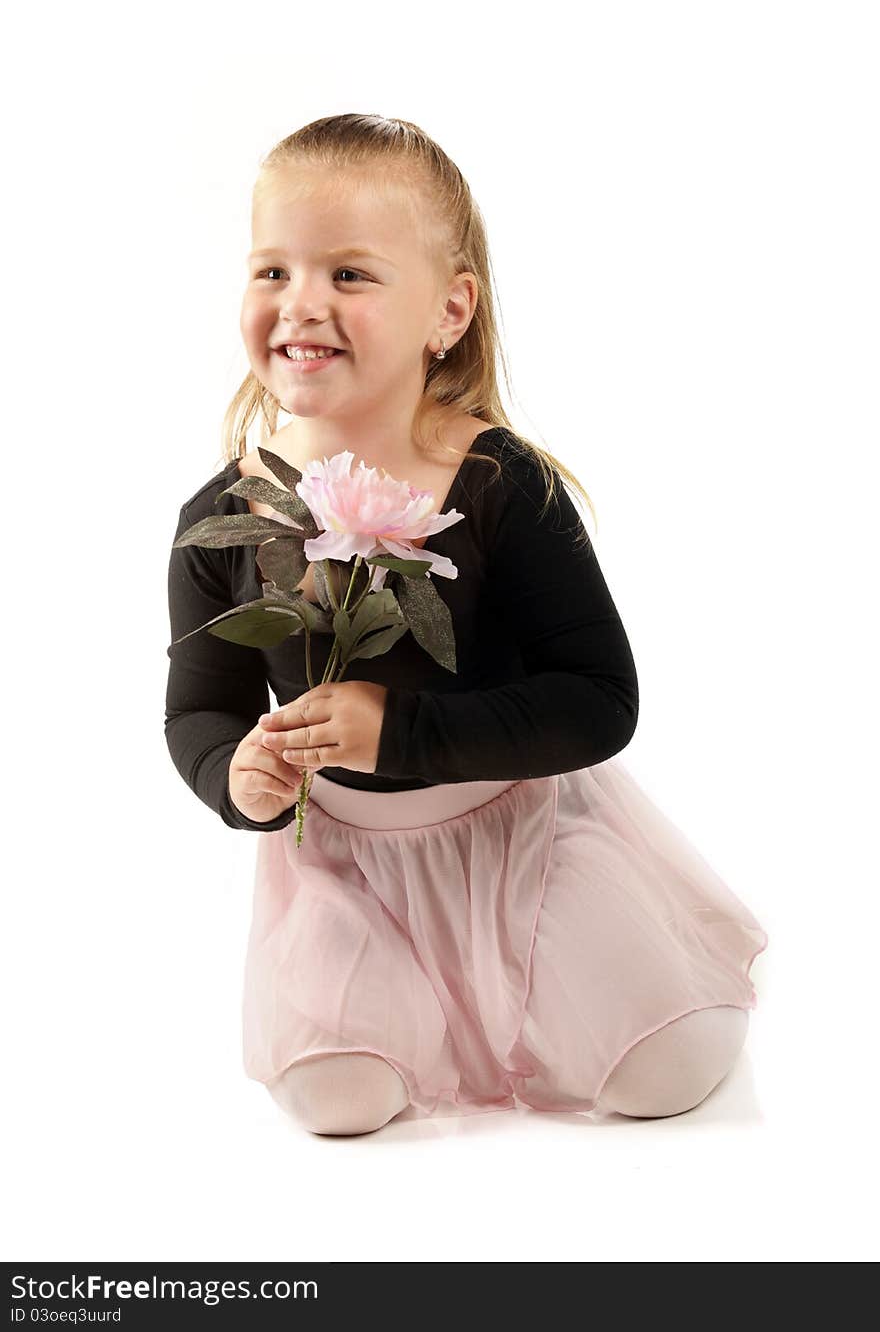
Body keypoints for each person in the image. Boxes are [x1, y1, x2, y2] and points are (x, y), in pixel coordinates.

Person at [164, 113, 769, 1138]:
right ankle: (389, 999)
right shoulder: (220, 519)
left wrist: (399, 731)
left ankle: (585, 981)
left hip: (521, 836)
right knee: (337, 1099)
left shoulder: (494, 482)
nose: (299, 302)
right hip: (350, 865)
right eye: (272, 270)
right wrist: (238, 777)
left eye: (348, 273)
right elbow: (199, 708)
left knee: (663, 1069)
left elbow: (598, 700)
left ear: (448, 310)